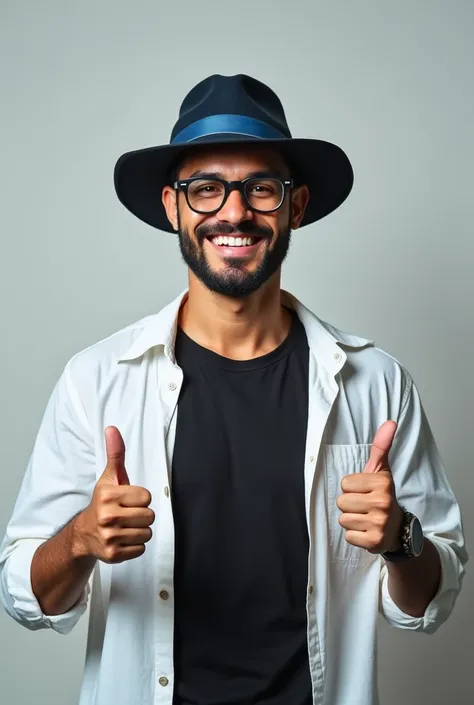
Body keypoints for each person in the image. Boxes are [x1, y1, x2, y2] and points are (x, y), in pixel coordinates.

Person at [0, 74, 467, 705]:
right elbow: (25, 598)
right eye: (207, 189)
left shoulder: (376, 383)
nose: (234, 212)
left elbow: (429, 603)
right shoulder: (98, 380)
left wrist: (401, 538)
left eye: (262, 189)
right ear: (173, 207)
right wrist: (80, 539)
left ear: (295, 206)